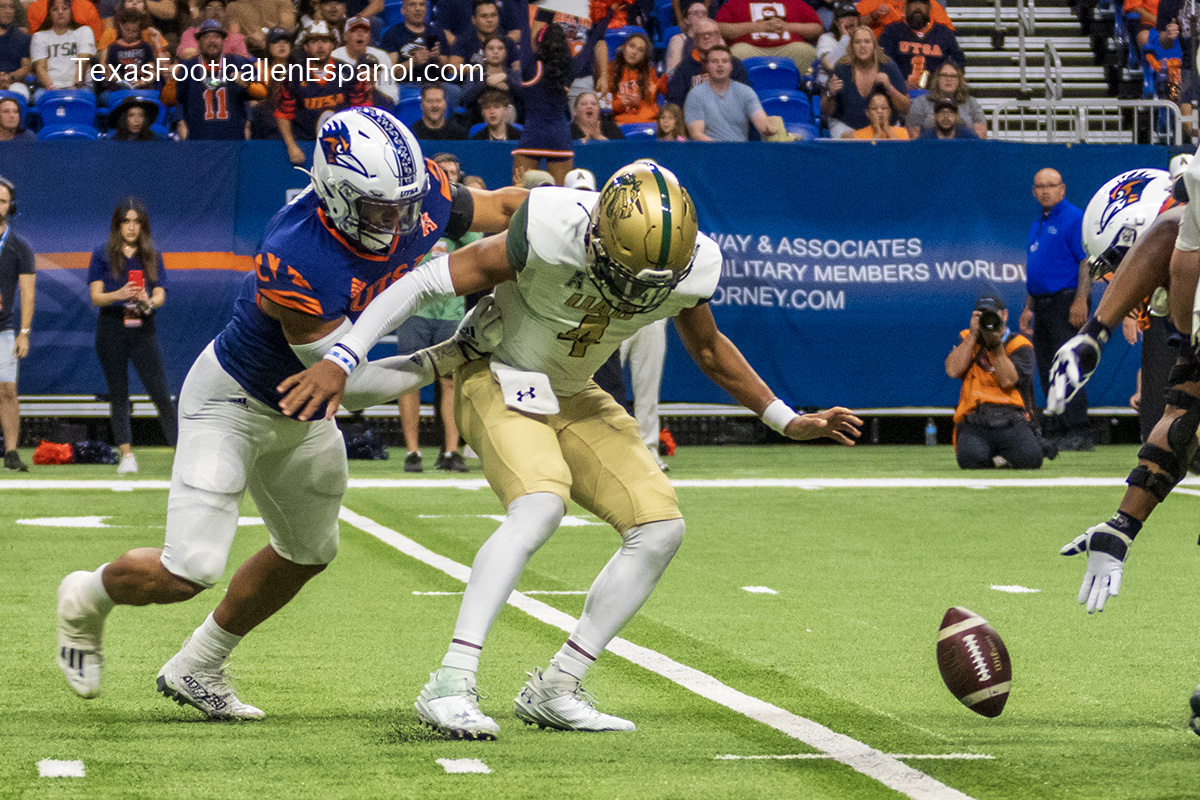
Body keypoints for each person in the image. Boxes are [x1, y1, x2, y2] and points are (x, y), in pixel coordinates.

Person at [274, 161, 863, 738]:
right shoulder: (551, 226)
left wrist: (785, 420)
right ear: (598, 234)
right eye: (627, 274)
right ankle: (451, 681)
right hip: (498, 372)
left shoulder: (690, 265)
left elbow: (709, 349)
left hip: (573, 390)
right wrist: (345, 356)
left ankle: (557, 686)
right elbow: (427, 282)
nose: (635, 292)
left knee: (660, 527)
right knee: (539, 505)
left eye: (652, 283)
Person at [54, 106, 526, 715]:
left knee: (308, 552)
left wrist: (586, 216)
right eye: (380, 210)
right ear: (337, 196)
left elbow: (508, 212)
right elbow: (341, 384)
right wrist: (449, 355)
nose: (400, 223)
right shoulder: (297, 254)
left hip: (300, 419)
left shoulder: (410, 192)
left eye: (405, 206)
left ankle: (198, 665)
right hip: (235, 402)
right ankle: (86, 596)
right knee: (188, 569)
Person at [395, 155, 480, 473]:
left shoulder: (465, 213)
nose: (449, 177)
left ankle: (451, 452)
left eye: (453, 173)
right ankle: (412, 452)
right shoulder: (417, 208)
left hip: (451, 310)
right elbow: (401, 243)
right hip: (414, 309)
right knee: (409, 381)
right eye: (443, 172)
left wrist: (452, 221)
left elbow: (475, 243)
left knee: (450, 382)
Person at [86, 199, 176, 475]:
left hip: (142, 328)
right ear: (118, 225)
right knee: (119, 393)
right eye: (126, 221)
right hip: (111, 327)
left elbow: (160, 293)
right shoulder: (102, 253)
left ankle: (181, 452)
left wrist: (150, 301)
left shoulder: (152, 255)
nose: (132, 227)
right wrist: (120, 294)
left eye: (137, 222)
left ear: (143, 226)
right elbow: (96, 297)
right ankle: (127, 455)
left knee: (160, 393)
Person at [1021, 167, 1093, 450]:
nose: (1045, 191)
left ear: (1062, 189)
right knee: (1048, 368)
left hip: (1067, 301)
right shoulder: (1037, 222)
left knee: (1068, 366)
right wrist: (1028, 307)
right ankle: (1061, 428)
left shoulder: (1074, 218)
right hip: (1042, 304)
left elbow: (1086, 261)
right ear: (1033, 191)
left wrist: (1080, 300)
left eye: (1051, 186)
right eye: (1040, 186)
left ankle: (1079, 431)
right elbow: (1036, 269)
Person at [944, 292, 1042, 470]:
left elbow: (1008, 381)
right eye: (982, 314)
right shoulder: (967, 339)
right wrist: (973, 336)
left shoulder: (1019, 345)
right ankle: (996, 457)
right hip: (976, 419)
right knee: (970, 460)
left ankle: (1000, 455)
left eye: (992, 314)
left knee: (1030, 460)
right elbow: (952, 370)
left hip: (1012, 419)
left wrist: (995, 345)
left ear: (1004, 315)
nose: (987, 319)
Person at [275, 21, 373, 164]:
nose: (320, 46)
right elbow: (283, 114)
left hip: (344, 146)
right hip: (305, 147)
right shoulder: (294, 76)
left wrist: (358, 142)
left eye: (325, 41)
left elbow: (362, 110)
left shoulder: (349, 72)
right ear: (306, 47)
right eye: (314, 41)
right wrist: (291, 146)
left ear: (333, 45)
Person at [165, 18, 267, 140]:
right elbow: (171, 100)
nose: (212, 41)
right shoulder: (187, 66)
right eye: (206, 37)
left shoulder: (239, 63)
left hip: (233, 137)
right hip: (198, 137)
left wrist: (248, 86)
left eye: (216, 37)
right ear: (199, 41)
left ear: (223, 40)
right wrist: (179, 120)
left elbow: (262, 94)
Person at [512, 23, 574, 186]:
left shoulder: (531, 66)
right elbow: (592, 44)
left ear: (539, 41)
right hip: (560, 135)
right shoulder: (568, 68)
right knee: (562, 194)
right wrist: (604, 18)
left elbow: (524, 30)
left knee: (520, 191)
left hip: (534, 133)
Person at [0, 176, 34, 472]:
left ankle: (11, 453)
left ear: (10, 207)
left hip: (4, 330)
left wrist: (24, 332)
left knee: (8, 390)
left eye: (2, 201)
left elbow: (28, 293)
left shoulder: (19, 247)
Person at [822, 26, 910, 139]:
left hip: (885, 126)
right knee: (847, 142)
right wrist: (830, 93)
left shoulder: (889, 66)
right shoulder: (841, 68)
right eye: (857, 42)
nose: (862, 46)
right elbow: (826, 111)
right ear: (852, 47)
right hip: (846, 126)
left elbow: (905, 109)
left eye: (867, 41)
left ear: (874, 46)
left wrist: (889, 87)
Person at [685, 45, 778, 142]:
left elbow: (760, 119)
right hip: (709, 149)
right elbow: (696, 134)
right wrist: (721, 148)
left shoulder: (746, 91)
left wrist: (767, 127)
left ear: (731, 66)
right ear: (707, 66)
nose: (720, 65)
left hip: (740, 149)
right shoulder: (695, 94)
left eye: (724, 61)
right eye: (714, 61)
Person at [714, 0, 823, 74]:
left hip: (789, 49)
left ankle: (806, 91)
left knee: (806, 51)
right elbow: (720, 28)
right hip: (749, 50)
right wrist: (755, 27)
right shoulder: (735, 3)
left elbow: (817, 28)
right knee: (736, 52)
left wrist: (787, 27)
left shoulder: (795, 3)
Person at [878, 0, 963, 92]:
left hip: (935, 94)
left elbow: (959, 63)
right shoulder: (892, 31)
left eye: (922, 3)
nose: (918, 6)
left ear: (930, 7)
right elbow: (882, 63)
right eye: (913, 2)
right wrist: (900, 84)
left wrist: (940, 85)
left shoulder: (944, 33)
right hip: (899, 93)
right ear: (905, 7)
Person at [665, 17, 752, 106]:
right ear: (695, 40)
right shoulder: (684, 67)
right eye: (701, 34)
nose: (706, 37)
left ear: (718, 38)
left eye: (711, 34)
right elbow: (676, 102)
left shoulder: (734, 63)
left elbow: (744, 96)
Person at [31, 0, 96, 100]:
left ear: (71, 11)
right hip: (49, 89)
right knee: (40, 97)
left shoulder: (84, 31)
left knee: (83, 98)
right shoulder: (39, 36)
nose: (60, 12)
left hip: (80, 87)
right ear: (49, 13)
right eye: (55, 9)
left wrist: (75, 86)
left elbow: (83, 61)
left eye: (65, 8)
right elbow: (40, 68)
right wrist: (52, 89)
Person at [905, 60, 986, 138]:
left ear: (959, 80)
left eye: (953, 76)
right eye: (944, 75)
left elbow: (981, 132)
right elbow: (913, 131)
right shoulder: (920, 101)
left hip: (965, 145)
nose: (948, 79)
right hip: (929, 145)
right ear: (937, 78)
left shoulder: (971, 103)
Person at [333, 16, 397, 105]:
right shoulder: (334, 57)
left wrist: (373, 92)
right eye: (354, 31)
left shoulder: (381, 57)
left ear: (369, 36)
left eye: (365, 31)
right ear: (345, 36)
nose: (360, 35)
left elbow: (391, 95)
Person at [608, 32, 664, 124]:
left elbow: (654, 103)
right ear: (624, 47)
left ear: (644, 56)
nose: (634, 52)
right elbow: (603, 106)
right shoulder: (609, 70)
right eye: (631, 46)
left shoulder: (650, 72)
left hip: (648, 122)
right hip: (621, 124)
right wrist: (621, 103)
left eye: (640, 50)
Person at [177, 0, 249, 59]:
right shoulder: (191, 34)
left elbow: (242, 63)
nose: (215, 11)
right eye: (210, 8)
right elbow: (189, 56)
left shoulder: (236, 39)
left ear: (225, 14)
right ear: (202, 13)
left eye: (220, 8)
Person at [855, 0, 954, 39]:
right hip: (880, 52)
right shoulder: (875, 1)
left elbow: (948, 33)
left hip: (919, 49)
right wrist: (874, 15)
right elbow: (854, 26)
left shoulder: (925, 3)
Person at [664, 0, 710, 76]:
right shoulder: (678, 40)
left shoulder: (717, 40)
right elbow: (671, 72)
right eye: (695, 13)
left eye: (704, 13)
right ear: (686, 20)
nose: (700, 15)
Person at [0, 0, 32, 99]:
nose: (8, 11)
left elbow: (26, 67)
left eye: (11, 7)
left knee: (20, 93)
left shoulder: (23, 37)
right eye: (2, 7)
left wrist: (9, 77)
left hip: (13, 83)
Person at [817, 2, 859, 76]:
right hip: (832, 79)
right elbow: (829, 63)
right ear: (836, 22)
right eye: (844, 16)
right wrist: (845, 38)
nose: (850, 19)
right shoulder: (826, 38)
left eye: (853, 15)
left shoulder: (865, 38)